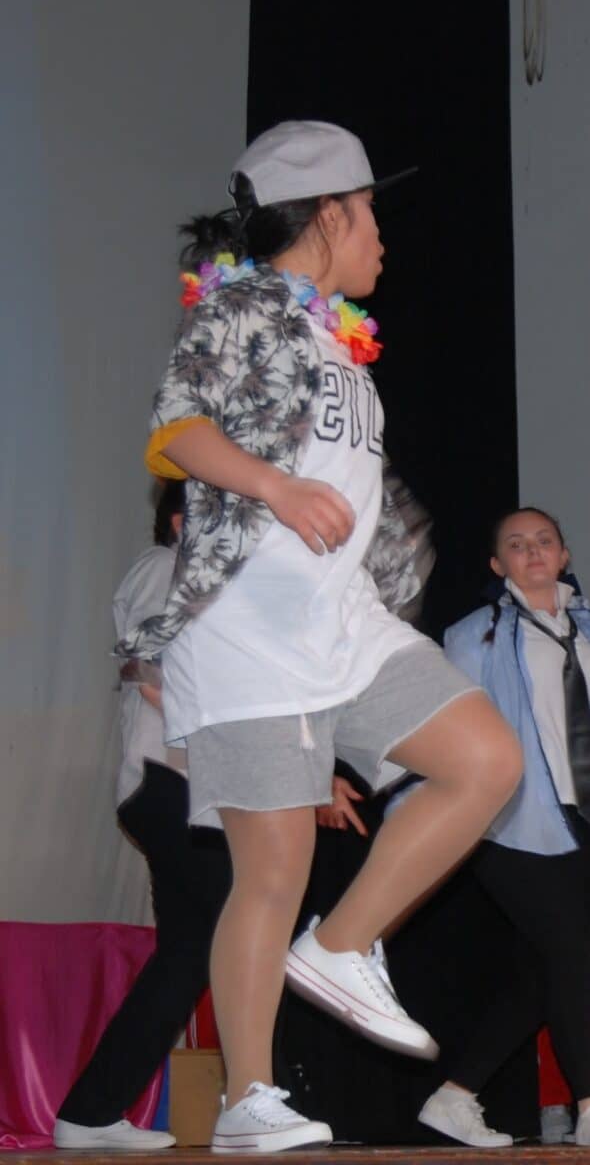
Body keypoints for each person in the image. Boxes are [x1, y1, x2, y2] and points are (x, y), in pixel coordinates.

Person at [116, 119, 522, 1154]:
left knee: (484, 759)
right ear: (331, 213)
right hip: (247, 630)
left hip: (341, 627)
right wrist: (275, 487)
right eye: (371, 211)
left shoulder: (338, 338)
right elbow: (175, 427)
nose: (382, 233)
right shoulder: (244, 306)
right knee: (271, 871)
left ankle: (341, 947)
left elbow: (345, 482)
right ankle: (249, 1099)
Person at [54, 480, 232, 1150]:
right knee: (249, 925)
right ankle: (262, 1099)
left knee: (189, 956)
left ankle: (89, 1112)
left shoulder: (208, 587)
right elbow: (149, 674)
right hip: (167, 782)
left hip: (189, 789)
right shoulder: (163, 567)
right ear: (183, 521)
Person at [416, 507, 590, 1148]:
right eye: (517, 545)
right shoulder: (474, 636)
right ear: (498, 564)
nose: (533, 551)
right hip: (511, 822)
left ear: (564, 555)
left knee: (541, 973)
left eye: (545, 541)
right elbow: (438, 726)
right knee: (576, 953)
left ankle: (454, 1096)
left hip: (582, 821)